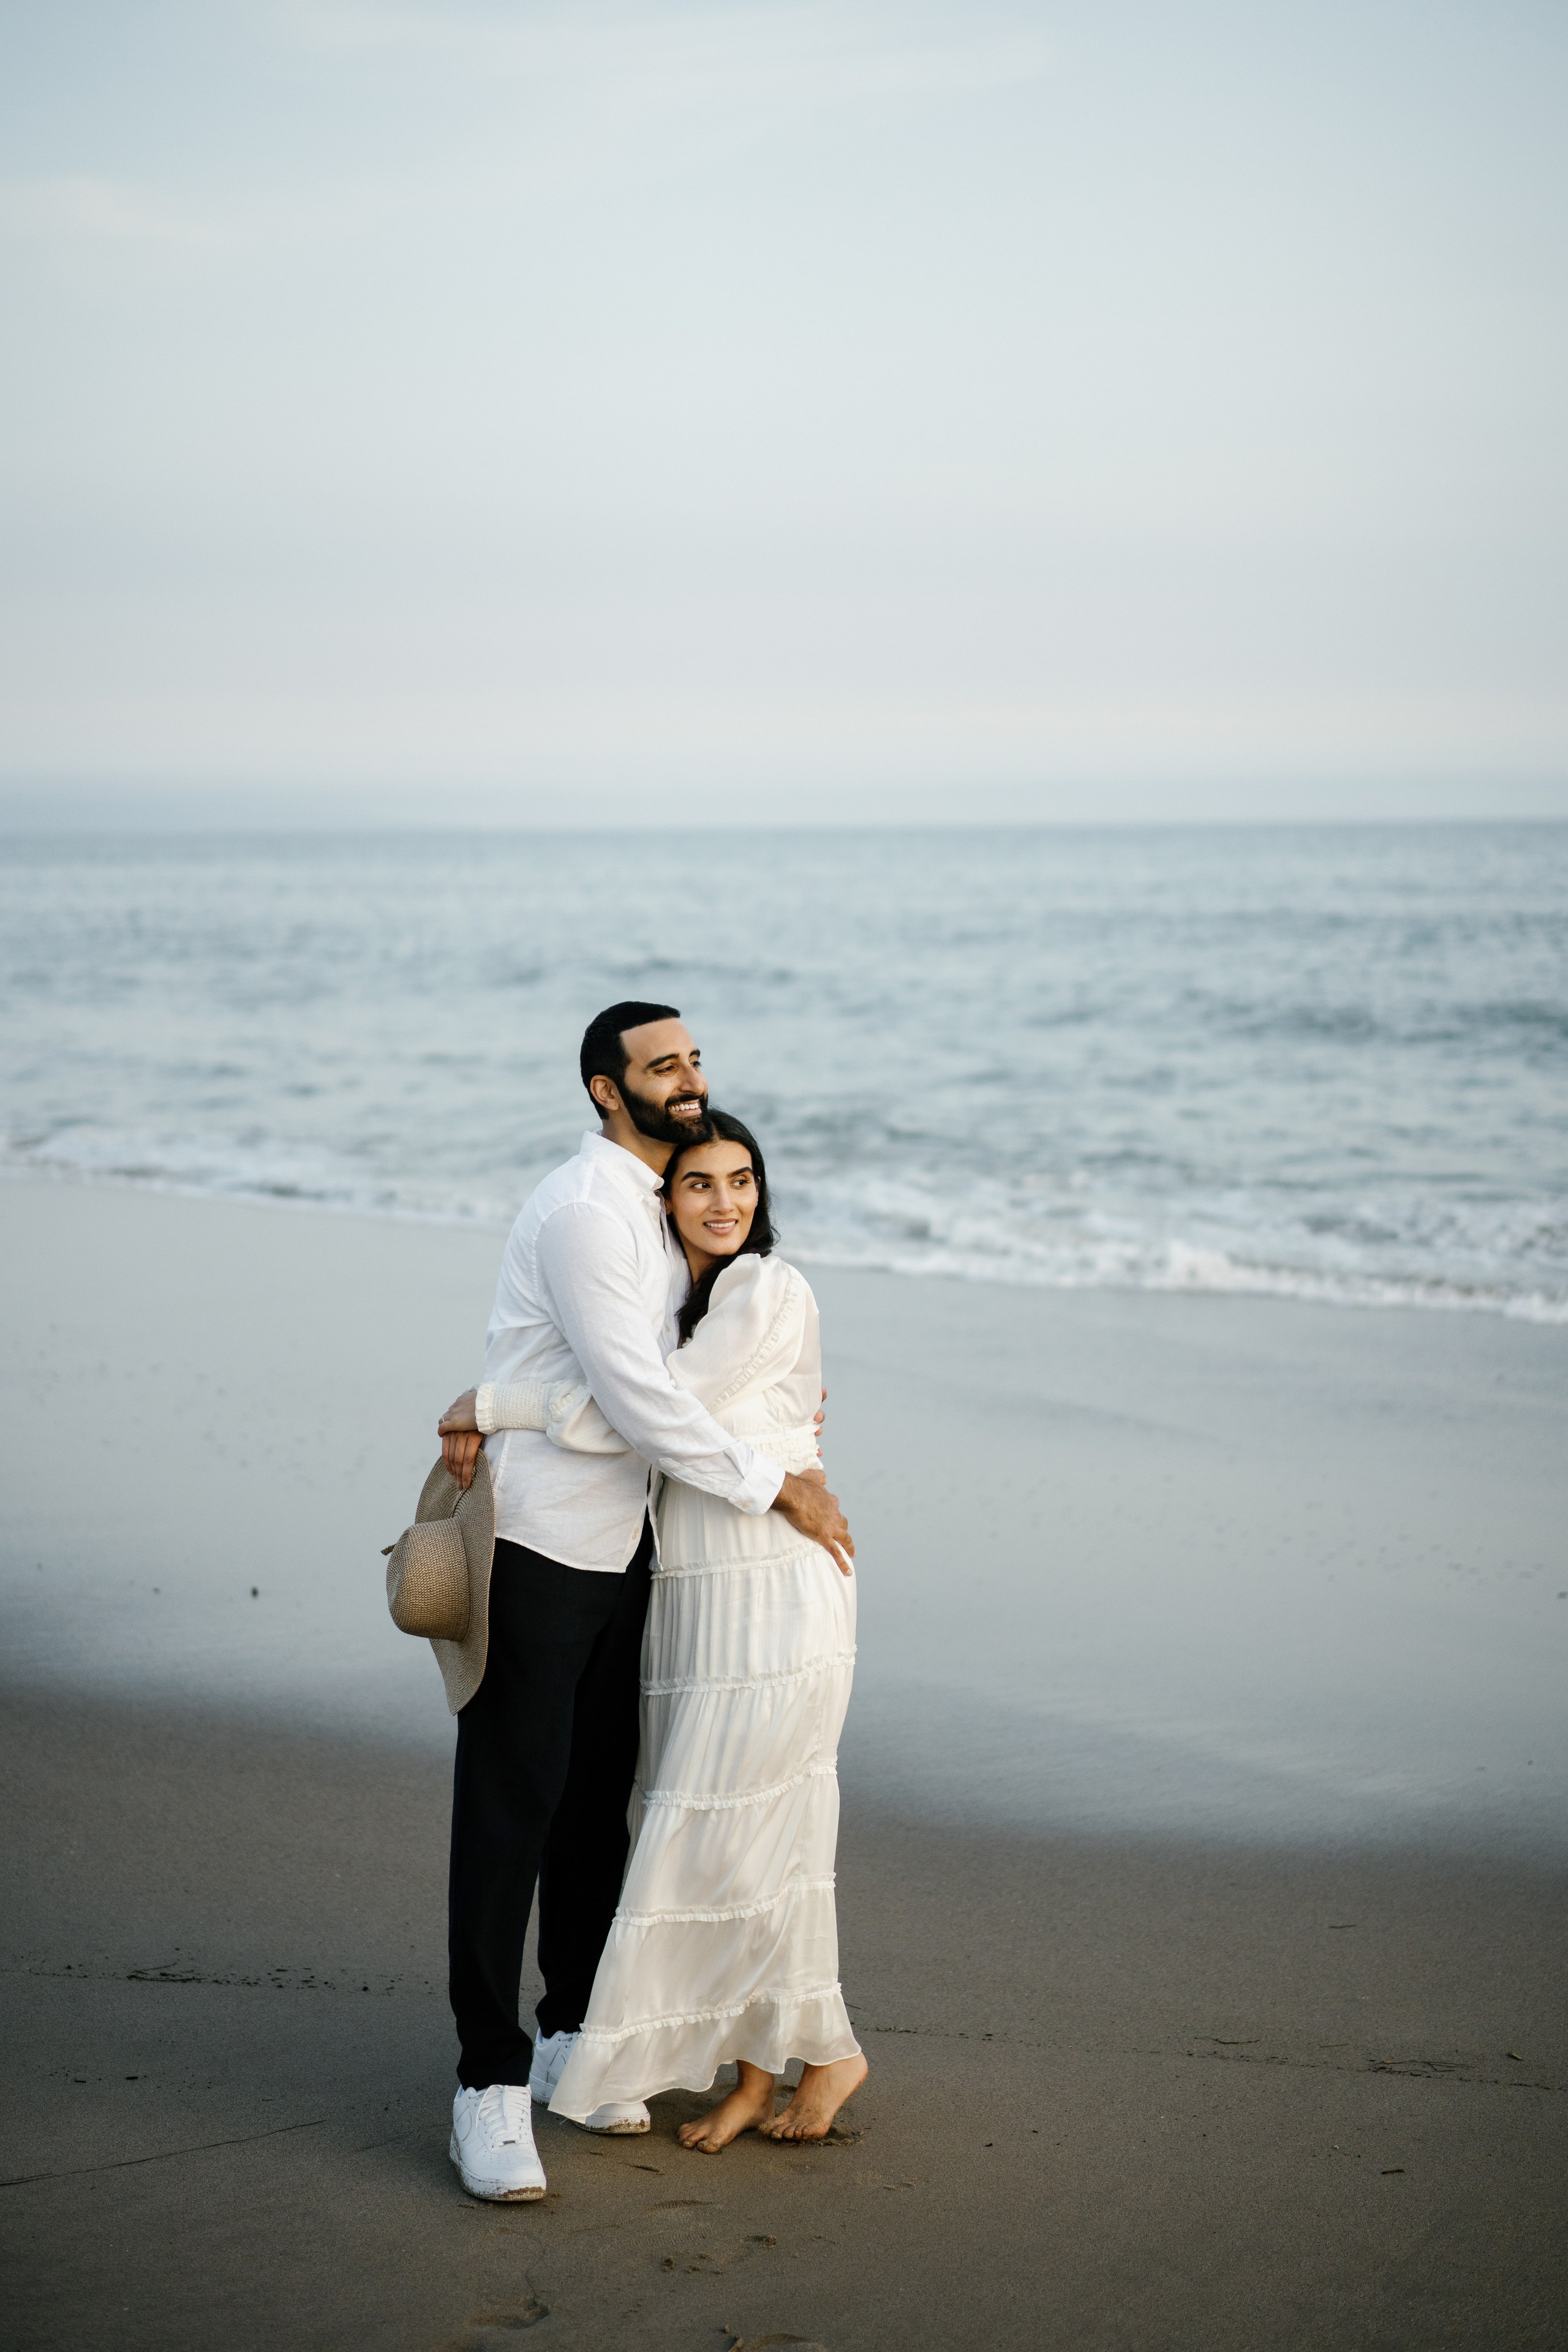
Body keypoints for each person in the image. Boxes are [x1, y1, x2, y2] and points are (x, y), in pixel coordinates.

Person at [435, 1005, 853, 2203]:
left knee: (593, 1807)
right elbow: (632, 1398)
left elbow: (699, 1376)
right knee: (511, 1808)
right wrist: (777, 1483)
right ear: (603, 1091)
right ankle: (486, 2082)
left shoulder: (669, 1210)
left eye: (694, 1060)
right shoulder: (583, 1211)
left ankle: (573, 2028)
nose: (687, 1079)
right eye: (662, 1066)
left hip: (642, 1550)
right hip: (545, 1541)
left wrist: (776, 1416)